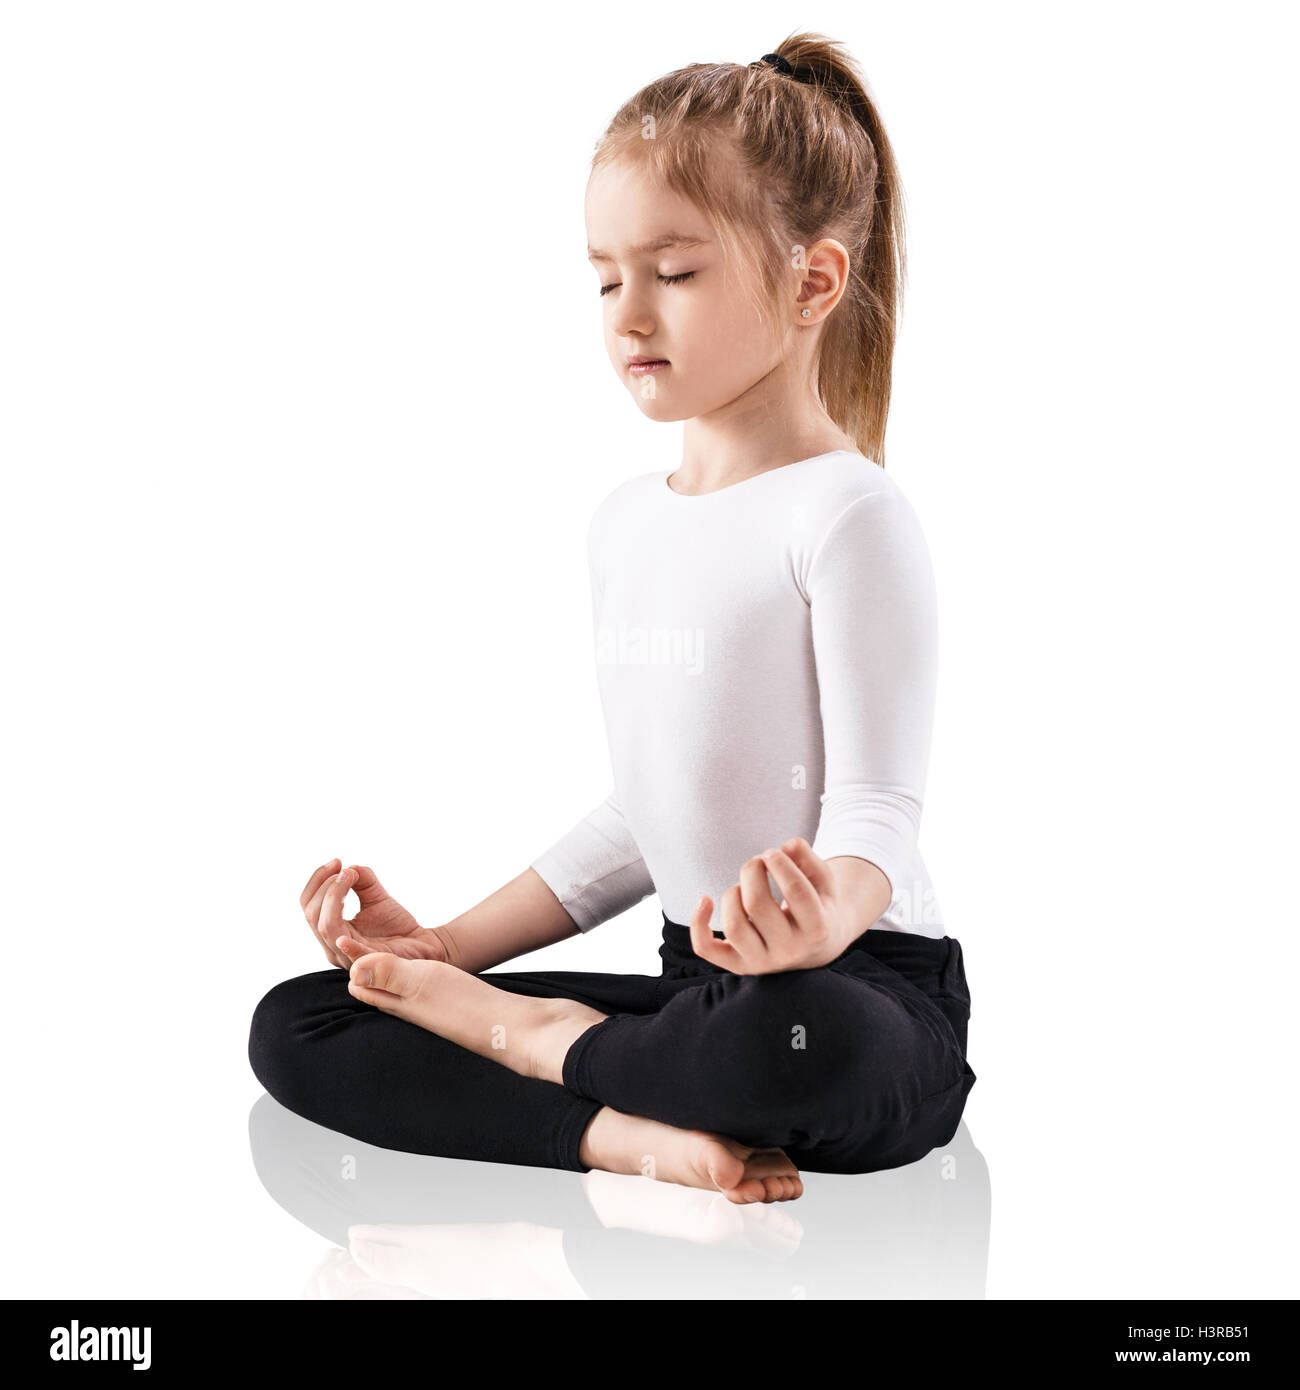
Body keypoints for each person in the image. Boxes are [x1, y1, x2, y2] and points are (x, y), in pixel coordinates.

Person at [249, 32, 976, 1206]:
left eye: (675, 273)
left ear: (811, 283)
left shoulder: (848, 512)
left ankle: (543, 1052)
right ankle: (625, 1137)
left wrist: (819, 920)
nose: (628, 313)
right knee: (301, 1023)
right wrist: (441, 950)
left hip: (855, 987)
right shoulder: (623, 523)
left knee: (793, 1047)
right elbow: (647, 814)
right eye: (603, 276)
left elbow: (879, 808)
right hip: (695, 999)